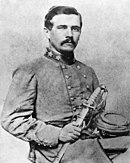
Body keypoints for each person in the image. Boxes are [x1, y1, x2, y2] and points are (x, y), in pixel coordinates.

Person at [1, 5, 130, 163]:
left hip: (91, 146)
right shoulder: (29, 71)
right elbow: (12, 119)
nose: (69, 34)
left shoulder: (88, 71)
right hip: (55, 153)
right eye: (62, 28)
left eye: (75, 29)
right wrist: (58, 134)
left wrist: (110, 126)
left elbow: (96, 117)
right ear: (47, 32)